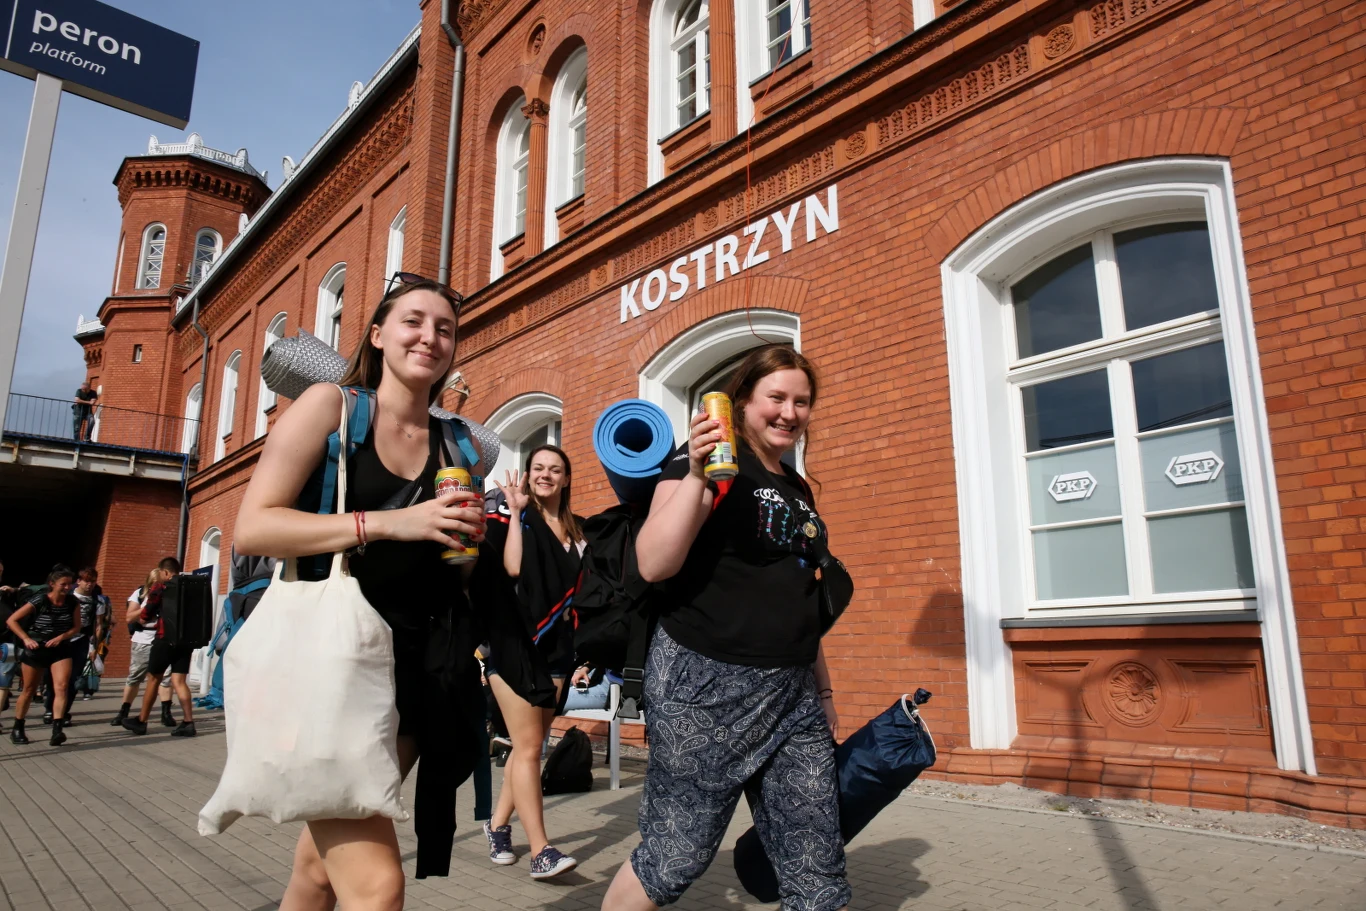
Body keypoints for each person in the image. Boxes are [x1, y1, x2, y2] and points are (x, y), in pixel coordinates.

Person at [233, 276, 487, 909]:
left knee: (319, 873)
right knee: (376, 887)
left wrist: (465, 545)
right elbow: (252, 527)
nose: (430, 336)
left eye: (446, 328)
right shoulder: (332, 407)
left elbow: (447, 574)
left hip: (414, 673)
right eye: (413, 322)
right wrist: (388, 523)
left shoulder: (454, 444)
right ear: (378, 335)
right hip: (332, 664)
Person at [601, 345, 849, 911]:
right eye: (776, 398)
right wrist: (695, 472)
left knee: (817, 863)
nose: (789, 412)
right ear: (742, 403)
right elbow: (654, 562)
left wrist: (824, 690)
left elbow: (802, 594)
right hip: (704, 685)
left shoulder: (797, 486)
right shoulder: (710, 464)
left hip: (792, 694)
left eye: (802, 401)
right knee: (675, 855)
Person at [479, 446, 585, 880]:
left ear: (565, 479)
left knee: (531, 749)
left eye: (555, 469)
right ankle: (542, 850)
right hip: (514, 644)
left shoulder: (578, 530)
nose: (545, 475)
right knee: (526, 750)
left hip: (558, 650)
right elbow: (513, 568)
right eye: (538, 468)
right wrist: (519, 511)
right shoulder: (517, 515)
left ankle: (497, 825)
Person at [6, 567, 81, 746]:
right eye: (63, 584)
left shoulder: (72, 602)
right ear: (52, 584)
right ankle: (18, 727)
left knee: (62, 687)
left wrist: (61, 638)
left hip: (60, 649)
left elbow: (76, 627)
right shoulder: (40, 600)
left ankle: (57, 730)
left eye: (70, 584)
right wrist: (26, 639)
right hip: (37, 649)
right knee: (29, 690)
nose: (67, 587)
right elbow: (12, 620)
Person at [120, 568, 198, 737]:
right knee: (179, 681)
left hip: (164, 639)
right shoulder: (191, 588)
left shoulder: (161, 588)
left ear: (165, 571)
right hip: (185, 641)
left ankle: (142, 721)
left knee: (154, 679)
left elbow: (146, 613)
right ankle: (188, 722)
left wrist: (144, 617)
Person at [110, 558, 180, 729]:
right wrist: (150, 605)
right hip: (143, 639)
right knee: (135, 675)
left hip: (163, 639)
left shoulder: (172, 592)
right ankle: (124, 711)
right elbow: (129, 617)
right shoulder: (140, 593)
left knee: (165, 678)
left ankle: (166, 712)